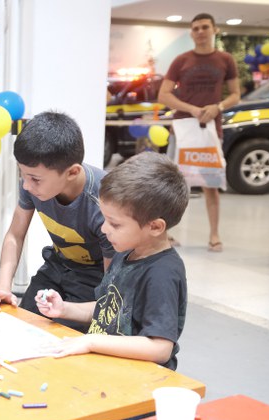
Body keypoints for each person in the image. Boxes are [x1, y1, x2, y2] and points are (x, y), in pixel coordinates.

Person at [34, 151, 189, 371]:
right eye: (104, 219)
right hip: (107, 367)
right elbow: (109, 309)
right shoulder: (125, 252)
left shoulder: (162, 273)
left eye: (114, 224)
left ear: (155, 227)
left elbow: (160, 348)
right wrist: (65, 309)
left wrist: (91, 341)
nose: (104, 229)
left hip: (139, 382)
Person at [0, 111, 115, 330]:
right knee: (22, 327)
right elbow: (15, 235)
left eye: (35, 179)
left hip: (95, 278)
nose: (26, 185)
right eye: (22, 174)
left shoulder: (104, 204)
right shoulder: (34, 183)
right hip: (58, 266)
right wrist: (3, 286)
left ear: (72, 172)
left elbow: (111, 284)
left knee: (61, 340)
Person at [158, 13, 240, 252]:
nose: (200, 31)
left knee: (210, 182)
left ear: (215, 29)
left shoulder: (225, 60)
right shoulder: (181, 60)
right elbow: (164, 95)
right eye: (195, 28)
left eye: (205, 27)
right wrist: (192, 109)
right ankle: (164, 233)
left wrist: (218, 107)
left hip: (209, 130)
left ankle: (214, 235)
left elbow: (235, 94)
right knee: (173, 183)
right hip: (182, 130)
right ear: (191, 33)